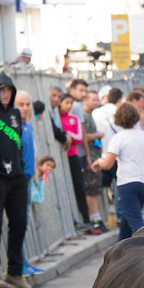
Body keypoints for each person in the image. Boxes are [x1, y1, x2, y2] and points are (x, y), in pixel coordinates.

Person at [0, 72, 32, 288]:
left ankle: (15, 272)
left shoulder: (15, 113)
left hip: (17, 177)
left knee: (19, 223)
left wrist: (20, 165)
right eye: (1, 90)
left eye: (8, 90)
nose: (4, 94)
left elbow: (18, 143)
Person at [91, 102, 144, 241]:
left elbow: (108, 163)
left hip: (127, 184)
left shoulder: (118, 138)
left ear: (118, 119)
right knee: (127, 221)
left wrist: (98, 162)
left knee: (136, 223)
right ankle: (119, 250)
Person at [14, 91, 43, 277]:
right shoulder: (14, 128)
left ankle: (24, 261)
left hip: (28, 180)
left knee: (24, 223)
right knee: (18, 224)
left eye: (27, 104)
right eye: (21, 105)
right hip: (18, 182)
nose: (25, 109)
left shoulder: (28, 126)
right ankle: (19, 264)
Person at [58, 93, 89, 225]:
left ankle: (86, 219)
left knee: (79, 188)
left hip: (72, 156)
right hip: (60, 158)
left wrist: (66, 134)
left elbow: (78, 138)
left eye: (71, 103)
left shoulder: (74, 118)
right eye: (66, 102)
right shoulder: (57, 118)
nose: (69, 106)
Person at [82, 90, 106, 234]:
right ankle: (94, 220)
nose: (95, 103)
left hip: (96, 155)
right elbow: (85, 136)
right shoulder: (84, 116)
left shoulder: (90, 115)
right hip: (91, 157)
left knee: (95, 189)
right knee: (91, 189)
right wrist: (98, 135)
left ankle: (96, 218)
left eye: (97, 100)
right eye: (92, 100)